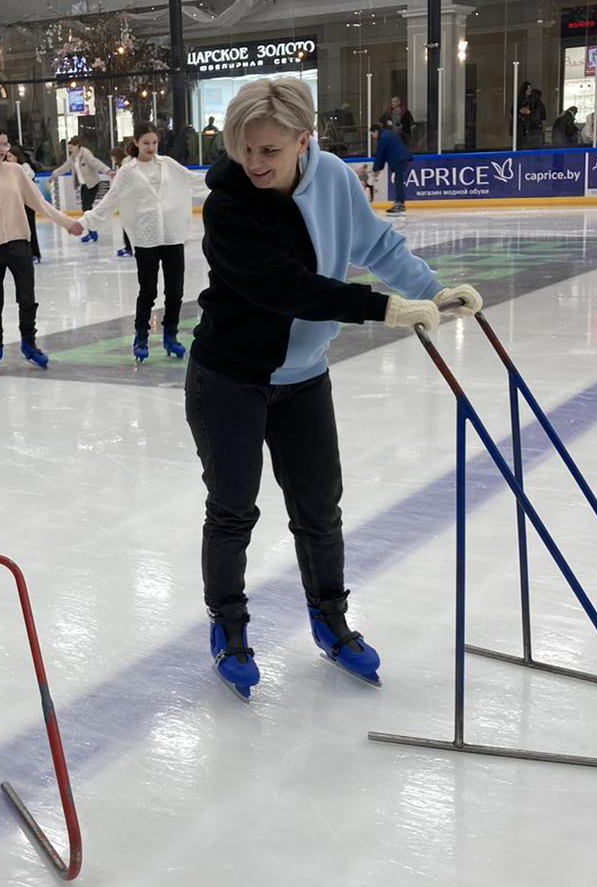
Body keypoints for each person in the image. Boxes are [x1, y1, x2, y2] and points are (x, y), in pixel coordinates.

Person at [188, 77, 482, 699]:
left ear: (304, 139)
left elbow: (377, 244)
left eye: (270, 150)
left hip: (304, 378)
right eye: (245, 150)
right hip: (229, 378)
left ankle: (330, 619)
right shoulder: (229, 204)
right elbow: (285, 286)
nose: (256, 163)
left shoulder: (338, 182)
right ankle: (230, 626)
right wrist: (381, 310)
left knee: (320, 510)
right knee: (234, 509)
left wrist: (430, 291)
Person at [0, 127, 82, 374]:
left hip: (19, 244)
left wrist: (67, 223)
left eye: (5, 144)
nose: (2, 149)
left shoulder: (16, 172)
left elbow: (39, 203)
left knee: (27, 297)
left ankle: (29, 344)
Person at [76, 122, 204, 363]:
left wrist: (224, 182)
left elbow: (193, 180)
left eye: (155, 142)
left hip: (172, 235)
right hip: (146, 238)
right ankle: (142, 336)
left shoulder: (168, 164)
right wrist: (85, 222)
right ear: (136, 142)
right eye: (146, 143)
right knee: (148, 290)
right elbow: (110, 201)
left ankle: (171, 335)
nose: (151, 147)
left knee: (175, 290)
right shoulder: (128, 171)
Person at [50, 137, 110, 242]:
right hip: (84, 185)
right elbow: (65, 167)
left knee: (87, 208)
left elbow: (95, 162)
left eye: (71, 147)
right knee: (86, 209)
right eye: (68, 148)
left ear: (77, 146)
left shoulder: (85, 154)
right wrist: (54, 175)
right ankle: (91, 232)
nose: (69, 150)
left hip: (92, 184)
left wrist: (107, 170)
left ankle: (93, 233)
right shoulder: (73, 157)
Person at [7, 145, 42, 263]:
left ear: (16, 157)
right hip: (17, 203)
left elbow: (28, 178)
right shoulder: (9, 169)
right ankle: (24, 253)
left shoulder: (24, 167)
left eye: (10, 157)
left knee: (29, 228)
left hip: (28, 203)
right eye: (7, 157)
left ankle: (35, 253)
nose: (8, 159)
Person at [371, 121, 412, 215]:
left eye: (372, 134)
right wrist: (378, 168)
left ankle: (400, 203)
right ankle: (399, 202)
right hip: (401, 158)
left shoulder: (383, 137)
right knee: (398, 180)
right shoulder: (385, 135)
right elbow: (383, 155)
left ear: (376, 131)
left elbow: (380, 154)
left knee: (398, 180)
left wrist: (376, 169)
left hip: (400, 159)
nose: (373, 137)